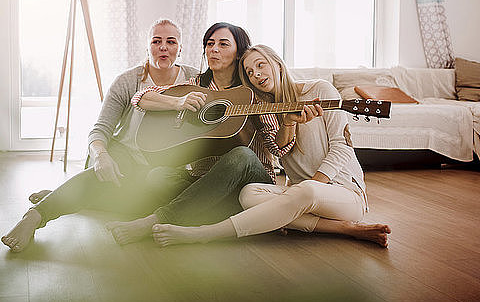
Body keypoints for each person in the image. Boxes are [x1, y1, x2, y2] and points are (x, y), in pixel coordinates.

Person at [149, 45, 391, 248]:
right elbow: (281, 152)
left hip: (343, 194)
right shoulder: (266, 110)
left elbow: (343, 148)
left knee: (307, 191)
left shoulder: (319, 90)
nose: (256, 74)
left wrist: (311, 184)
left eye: (260, 65)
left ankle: (206, 233)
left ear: (277, 62)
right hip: (298, 195)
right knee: (249, 193)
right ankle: (345, 229)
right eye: (250, 72)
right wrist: (287, 123)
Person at [106, 24, 322, 245]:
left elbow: (279, 149)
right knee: (157, 176)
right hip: (204, 180)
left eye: (223, 44)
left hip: (248, 183)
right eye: (209, 44)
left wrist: (287, 124)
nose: (213, 50)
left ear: (238, 53)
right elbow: (141, 98)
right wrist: (178, 101)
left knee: (242, 155)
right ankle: (212, 215)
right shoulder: (197, 85)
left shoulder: (251, 92)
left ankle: (155, 220)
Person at [1, 18, 200, 252]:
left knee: (143, 201)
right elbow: (100, 129)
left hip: (161, 167)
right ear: (148, 47)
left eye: (171, 41)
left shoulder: (194, 80)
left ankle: (67, 195)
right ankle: (35, 216)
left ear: (180, 48)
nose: (163, 47)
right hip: (124, 155)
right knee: (108, 180)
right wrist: (101, 155)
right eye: (156, 41)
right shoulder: (128, 81)